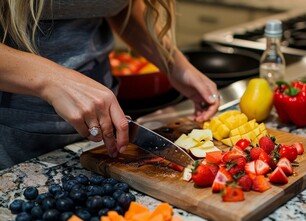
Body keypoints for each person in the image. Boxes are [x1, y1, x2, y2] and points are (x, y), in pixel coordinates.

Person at [0, 0, 220, 170]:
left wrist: (173, 63)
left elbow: (118, 6)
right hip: (12, 135)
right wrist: (51, 79)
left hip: (100, 131)